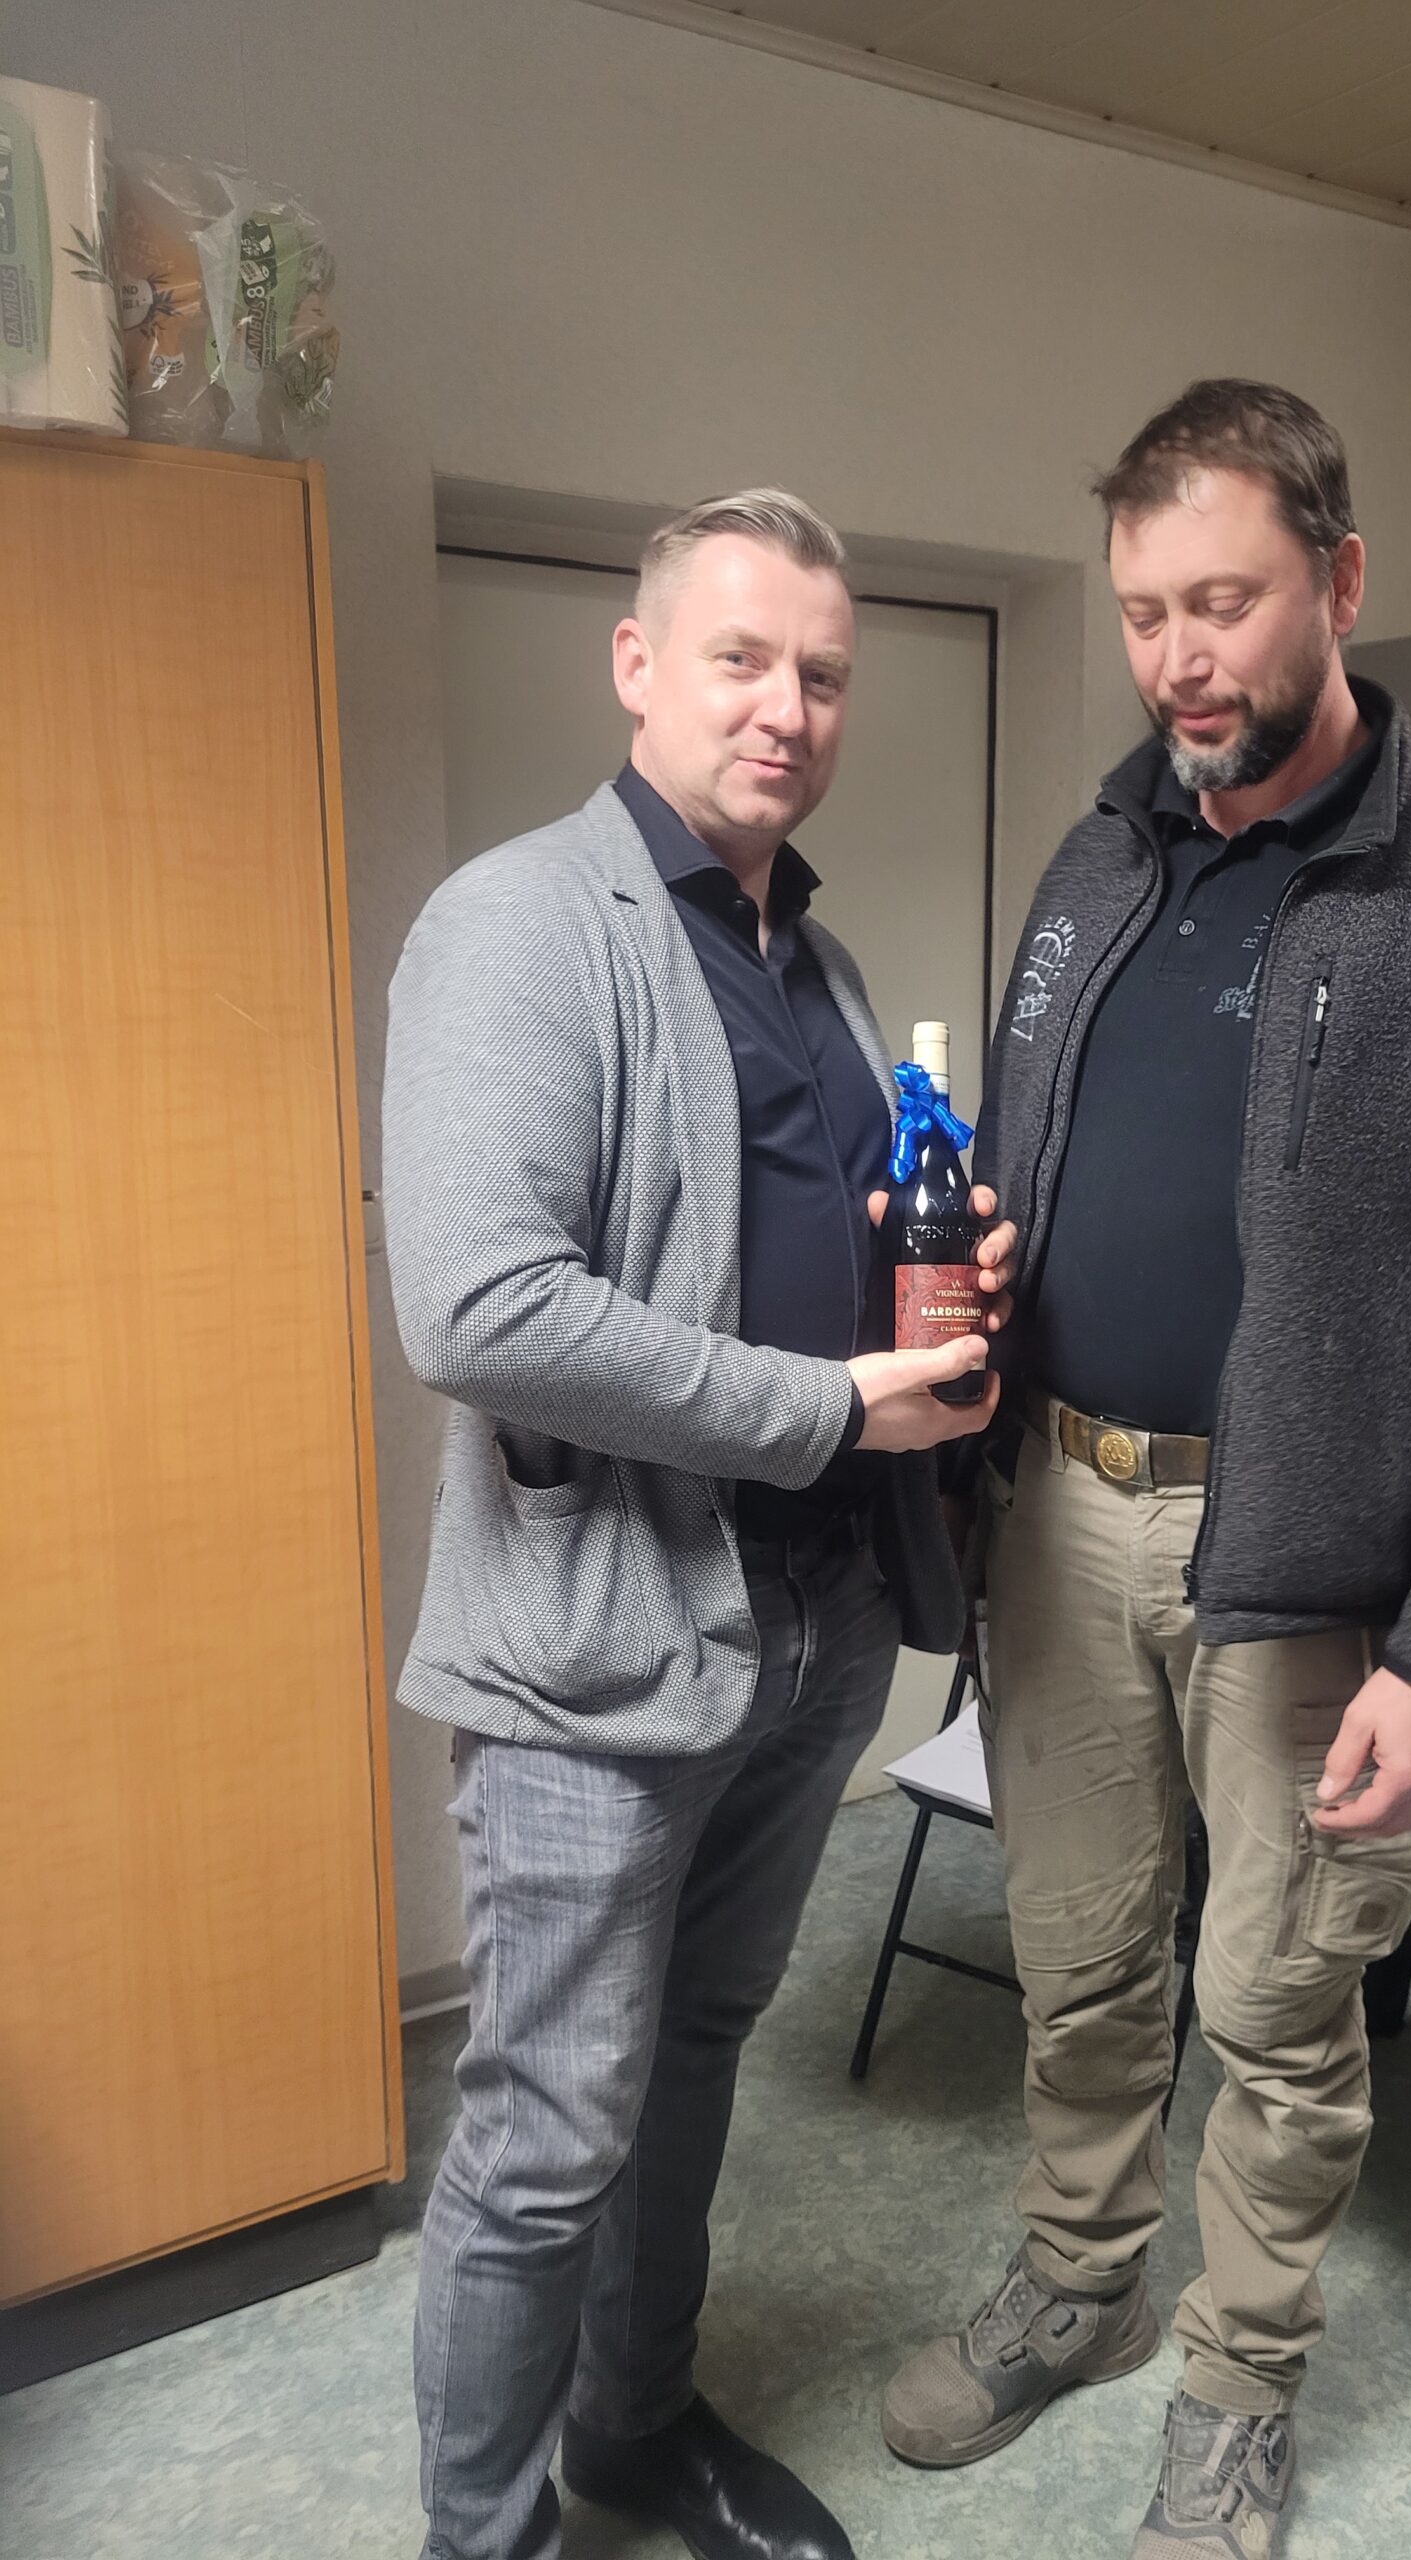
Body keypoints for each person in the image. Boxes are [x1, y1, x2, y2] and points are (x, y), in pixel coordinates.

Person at [885, 381, 1411, 2556]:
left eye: (1224, 602)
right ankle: (1083, 2275)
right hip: (1057, 1509)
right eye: (1143, 613)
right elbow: (1048, 1157)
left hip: (1298, 1558)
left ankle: (1238, 2379)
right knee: (1080, 1945)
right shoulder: (1097, 858)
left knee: (1281, 1999)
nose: (1179, 659)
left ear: (1340, 581)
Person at [385, 489, 1012, 2560]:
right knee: (547, 2132)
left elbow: (802, 1247)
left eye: (822, 673)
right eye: (740, 658)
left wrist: (943, 1272)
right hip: (597, 1648)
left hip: (811, 1625)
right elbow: (479, 1306)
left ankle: (635, 2424)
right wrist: (830, 1405)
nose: (786, 706)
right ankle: (483, 2535)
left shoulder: (813, 960)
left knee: (692, 2061)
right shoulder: (519, 923)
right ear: (636, 664)